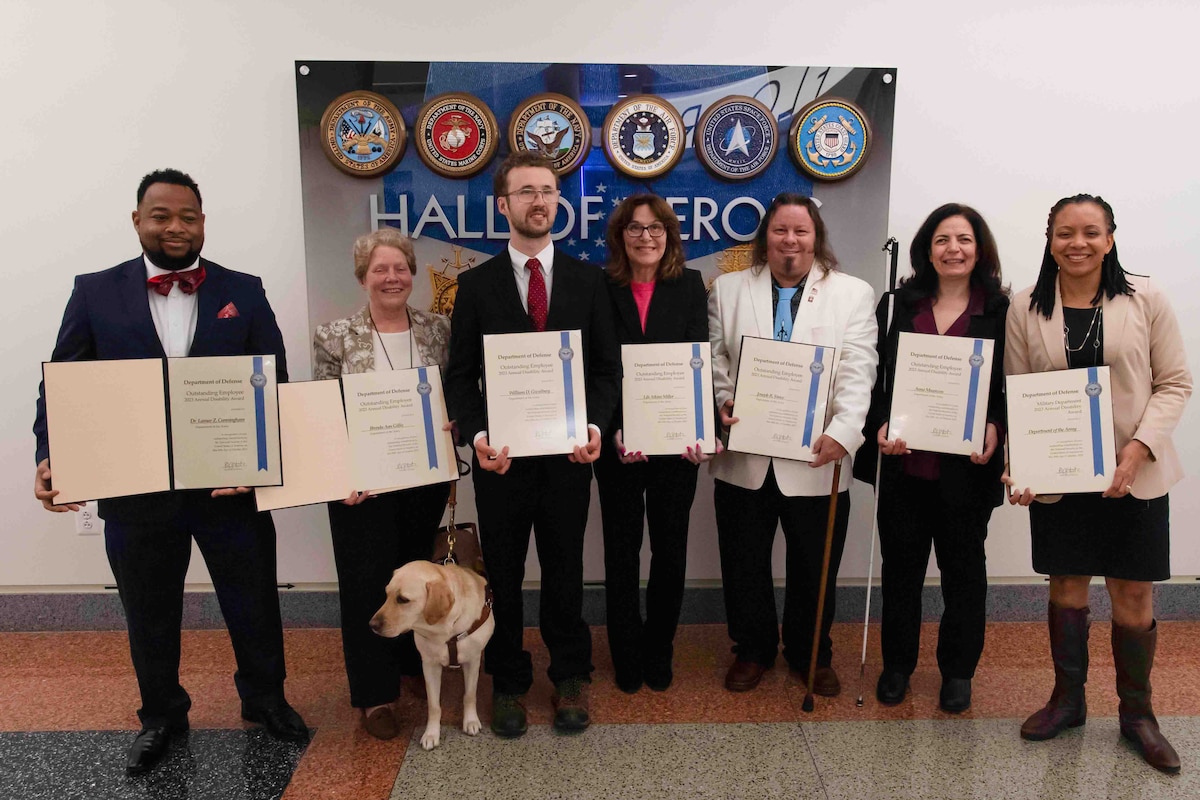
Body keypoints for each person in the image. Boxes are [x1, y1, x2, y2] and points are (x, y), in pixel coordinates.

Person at [32, 169, 308, 776]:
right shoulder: (94, 292)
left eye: (188, 216)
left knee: (254, 599)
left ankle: (265, 700)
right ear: (137, 221)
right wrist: (49, 454)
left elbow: (274, 384)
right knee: (148, 609)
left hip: (228, 487)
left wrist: (263, 465)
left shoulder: (246, 290)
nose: (175, 227)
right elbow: (62, 386)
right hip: (135, 493)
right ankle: (161, 715)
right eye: (161, 216)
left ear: (203, 222)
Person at [1004, 194, 1191, 773]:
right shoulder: (1026, 306)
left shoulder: (1146, 297)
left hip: (1132, 474)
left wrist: (1137, 451)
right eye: (1065, 233)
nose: (1077, 243)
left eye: (1090, 232)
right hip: (1060, 478)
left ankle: (1138, 714)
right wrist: (1022, 465)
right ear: (1049, 238)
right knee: (1067, 585)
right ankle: (1068, 701)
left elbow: (1176, 383)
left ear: (1110, 238)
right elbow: (1018, 394)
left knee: (1133, 595)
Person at [443, 152, 620, 736]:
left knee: (567, 570)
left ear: (558, 202)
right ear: (504, 204)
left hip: (569, 460)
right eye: (525, 192)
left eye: (547, 191)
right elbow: (460, 377)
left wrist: (594, 426)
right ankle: (510, 681)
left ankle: (570, 674)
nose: (538, 201)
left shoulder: (589, 281)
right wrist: (478, 437)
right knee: (507, 574)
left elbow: (604, 369)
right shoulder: (474, 287)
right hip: (503, 463)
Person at [708, 192, 877, 693]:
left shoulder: (852, 293)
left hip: (817, 456)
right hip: (746, 455)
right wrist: (721, 405)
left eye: (801, 231)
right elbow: (717, 361)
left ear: (816, 238)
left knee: (813, 566)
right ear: (766, 237)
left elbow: (858, 368)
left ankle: (811, 654)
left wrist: (845, 432)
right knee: (744, 563)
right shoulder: (727, 289)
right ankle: (753, 649)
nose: (790, 240)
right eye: (780, 230)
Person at [853, 204, 1008, 713]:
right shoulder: (898, 304)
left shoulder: (1003, 311)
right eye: (942, 240)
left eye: (963, 239)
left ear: (979, 249)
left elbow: (1012, 383)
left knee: (965, 576)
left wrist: (996, 426)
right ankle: (897, 665)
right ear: (927, 249)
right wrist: (879, 424)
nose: (953, 249)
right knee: (901, 572)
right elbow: (870, 380)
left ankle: (958, 672)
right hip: (904, 469)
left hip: (966, 472)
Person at [312, 229, 452, 740]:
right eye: (380, 269)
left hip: (422, 480)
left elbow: (450, 396)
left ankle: (410, 665)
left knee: (415, 577)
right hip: (362, 488)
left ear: (412, 273)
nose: (392, 278)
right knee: (365, 584)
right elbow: (325, 415)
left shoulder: (438, 328)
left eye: (401, 268)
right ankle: (376, 694)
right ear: (362, 276)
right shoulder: (334, 336)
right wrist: (338, 473)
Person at [593, 195, 712, 694]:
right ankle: (626, 651)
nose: (646, 237)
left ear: (670, 234)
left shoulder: (689, 286)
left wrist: (701, 430)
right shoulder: (599, 287)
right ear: (620, 236)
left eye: (656, 227)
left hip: (674, 446)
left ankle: (658, 648)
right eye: (635, 228)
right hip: (618, 445)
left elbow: (697, 362)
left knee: (670, 551)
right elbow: (595, 366)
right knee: (621, 553)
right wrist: (615, 428)